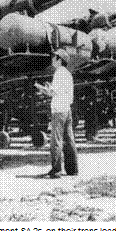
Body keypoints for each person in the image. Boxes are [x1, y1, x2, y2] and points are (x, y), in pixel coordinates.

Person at [35, 49, 78, 178]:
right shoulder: (68, 74)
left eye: (54, 57)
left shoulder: (59, 73)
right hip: (67, 110)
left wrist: (39, 87)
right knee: (69, 140)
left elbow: (52, 93)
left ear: (60, 60)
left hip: (58, 110)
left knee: (56, 140)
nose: (52, 59)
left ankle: (56, 169)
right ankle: (72, 169)